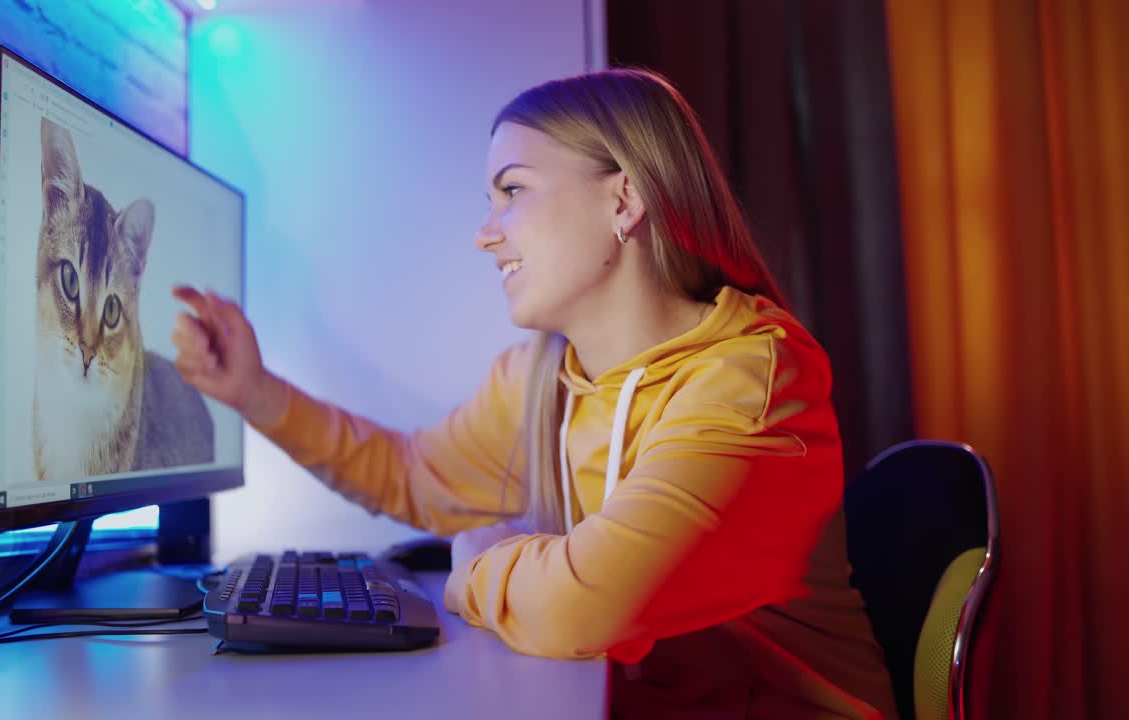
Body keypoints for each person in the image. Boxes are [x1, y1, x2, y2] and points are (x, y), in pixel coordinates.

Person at [171, 68, 898, 719]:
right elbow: (413, 477)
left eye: (512, 191)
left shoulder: (754, 384)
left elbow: (590, 605)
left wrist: (479, 563)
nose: (486, 235)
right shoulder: (543, 377)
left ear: (626, 199)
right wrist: (256, 392)